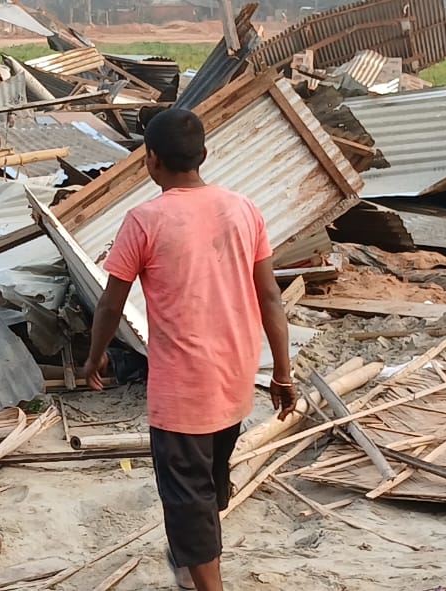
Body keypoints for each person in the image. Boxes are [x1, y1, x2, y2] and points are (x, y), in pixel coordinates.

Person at [82, 109, 297, 591]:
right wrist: (282, 372)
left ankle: (204, 577)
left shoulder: (144, 221)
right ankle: (190, 562)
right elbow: (270, 298)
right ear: (204, 155)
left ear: (150, 160)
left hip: (183, 391)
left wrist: (95, 355)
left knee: (187, 497)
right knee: (208, 484)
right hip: (235, 378)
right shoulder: (244, 208)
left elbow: (111, 303)